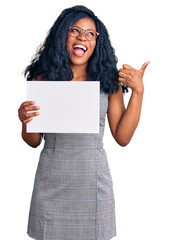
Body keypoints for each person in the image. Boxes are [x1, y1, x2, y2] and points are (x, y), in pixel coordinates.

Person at [18, 5, 150, 240]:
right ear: (63, 35)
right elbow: (33, 142)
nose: (82, 37)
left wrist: (138, 92)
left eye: (90, 33)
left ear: (97, 41)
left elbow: (122, 137)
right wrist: (25, 121)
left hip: (92, 183)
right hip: (51, 182)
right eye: (75, 30)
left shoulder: (108, 81)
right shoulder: (43, 78)